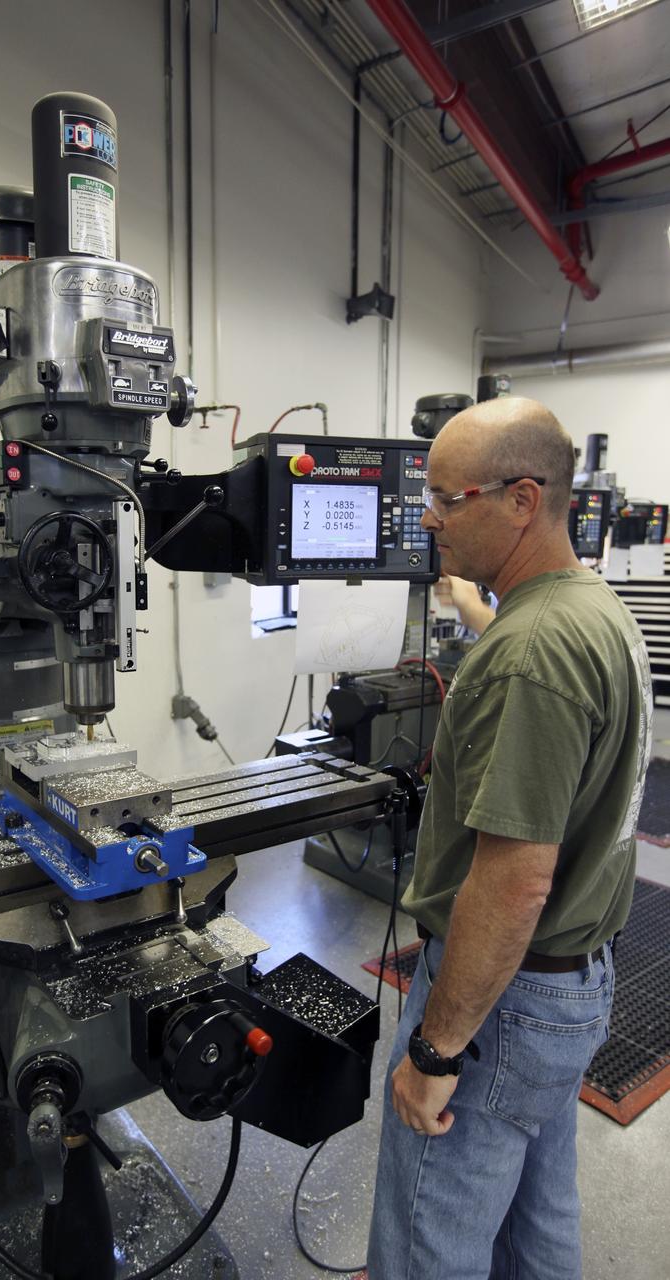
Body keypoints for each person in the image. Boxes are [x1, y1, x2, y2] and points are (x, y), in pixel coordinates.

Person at [366, 397, 653, 1280]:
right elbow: (535, 668)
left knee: (430, 1240)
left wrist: (433, 1051)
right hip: (573, 988)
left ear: (522, 500)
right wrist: (474, 615)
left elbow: (514, 880)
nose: (426, 516)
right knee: (539, 1218)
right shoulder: (590, 612)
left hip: (502, 1003)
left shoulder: (530, 654)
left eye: (447, 499)